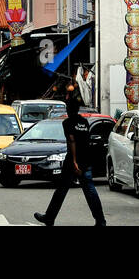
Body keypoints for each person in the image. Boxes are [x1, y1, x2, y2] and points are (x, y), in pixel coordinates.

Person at [34, 92, 106, 227]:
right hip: (86, 159)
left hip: (73, 161)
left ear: (68, 109)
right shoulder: (84, 122)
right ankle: (100, 220)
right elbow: (84, 140)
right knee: (90, 190)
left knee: (61, 190)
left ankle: (49, 218)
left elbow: (72, 141)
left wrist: (74, 162)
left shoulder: (67, 123)